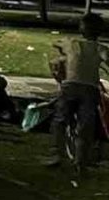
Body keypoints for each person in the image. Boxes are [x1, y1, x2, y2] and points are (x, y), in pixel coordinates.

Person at [45, 12, 106, 177]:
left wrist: (64, 53)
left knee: (60, 120)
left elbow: (56, 44)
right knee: (85, 125)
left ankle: (58, 154)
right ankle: (80, 161)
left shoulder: (71, 43)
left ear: (81, 28)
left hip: (71, 87)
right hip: (88, 89)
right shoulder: (99, 48)